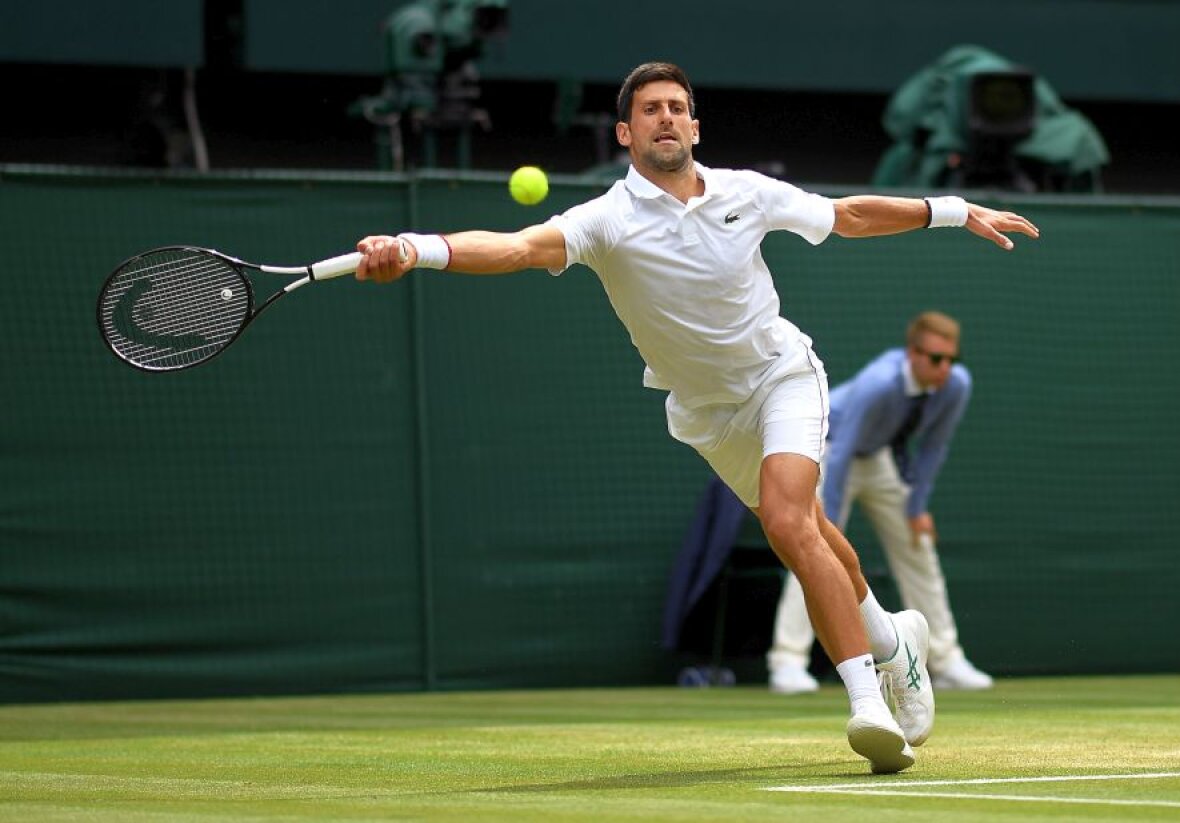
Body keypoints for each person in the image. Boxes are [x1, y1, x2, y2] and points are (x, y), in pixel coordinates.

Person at [353, 62, 1039, 774]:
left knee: (787, 519)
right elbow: (519, 247)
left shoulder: (746, 191)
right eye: (651, 109)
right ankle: (898, 644)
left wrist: (952, 209)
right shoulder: (606, 220)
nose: (667, 118)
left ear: (696, 125)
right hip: (708, 415)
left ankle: (867, 702)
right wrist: (416, 250)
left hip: (782, 377)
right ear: (626, 131)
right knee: (816, 531)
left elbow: (846, 215)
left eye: (678, 107)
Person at [767, 311, 994, 696]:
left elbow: (934, 449)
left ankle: (945, 657)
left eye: (951, 360)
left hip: (878, 458)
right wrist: (831, 519)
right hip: (832, 449)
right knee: (811, 547)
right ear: (913, 354)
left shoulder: (956, 386)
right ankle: (787, 662)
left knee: (917, 544)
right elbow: (841, 456)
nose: (945, 369)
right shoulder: (879, 384)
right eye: (936, 359)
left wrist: (917, 507)